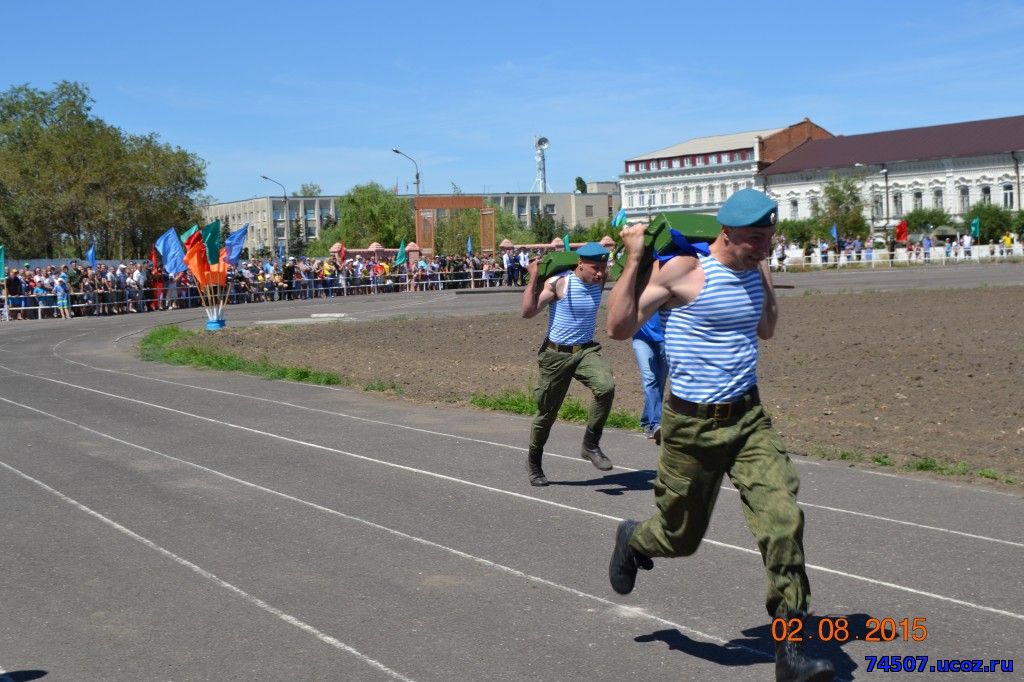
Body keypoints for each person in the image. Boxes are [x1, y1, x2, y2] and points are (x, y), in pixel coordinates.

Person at [605, 188, 834, 682]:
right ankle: (635, 540)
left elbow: (766, 329)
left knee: (783, 519)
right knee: (679, 538)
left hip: (749, 420)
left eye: (770, 238)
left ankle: (791, 648)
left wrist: (765, 272)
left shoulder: (756, 269)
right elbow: (619, 327)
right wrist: (635, 258)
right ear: (727, 234)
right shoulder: (687, 273)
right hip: (691, 427)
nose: (765, 246)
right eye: (756, 239)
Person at [520, 242, 616, 486]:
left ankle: (591, 443)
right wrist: (533, 279)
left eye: (603, 268)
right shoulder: (559, 284)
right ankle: (534, 462)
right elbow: (528, 312)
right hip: (556, 356)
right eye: (595, 268)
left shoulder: (600, 281)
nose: (600, 273)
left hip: (585, 350)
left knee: (605, 386)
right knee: (546, 414)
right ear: (580, 264)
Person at [632, 311, 667, 441]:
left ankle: (647, 421)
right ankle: (656, 424)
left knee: (660, 382)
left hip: (666, 336)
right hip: (641, 336)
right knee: (650, 379)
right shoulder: (638, 289)